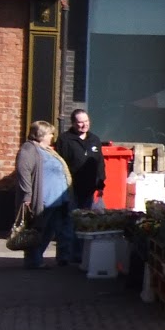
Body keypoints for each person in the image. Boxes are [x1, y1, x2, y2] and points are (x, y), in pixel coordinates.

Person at [15, 120, 75, 269]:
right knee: (38, 230)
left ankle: (45, 259)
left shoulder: (47, 149)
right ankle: (33, 261)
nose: (52, 136)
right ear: (41, 134)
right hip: (43, 199)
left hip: (57, 199)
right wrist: (27, 196)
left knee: (51, 231)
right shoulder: (29, 149)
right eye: (50, 133)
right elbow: (23, 173)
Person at [56, 109, 105, 211]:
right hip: (71, 188)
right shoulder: (64, 139)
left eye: (86, 121)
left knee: (86, 217)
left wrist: (101, 182)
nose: (84, 125)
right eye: (80, 122)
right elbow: (60, 163)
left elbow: (100, 162)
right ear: (73, 123)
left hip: (89, 187)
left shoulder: (94, 139)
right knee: (71, 217)